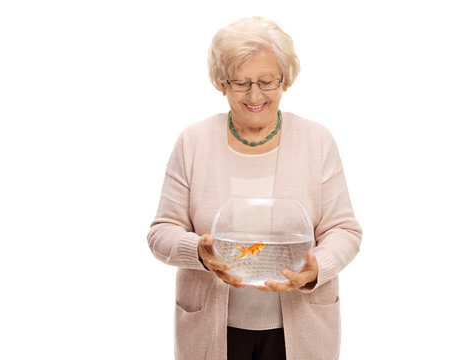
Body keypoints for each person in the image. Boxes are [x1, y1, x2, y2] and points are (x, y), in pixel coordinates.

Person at [147, 16, 362, 360]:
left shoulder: (316, 141)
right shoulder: (194, 142)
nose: (255, 95)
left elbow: (345, 230)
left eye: (267, 82)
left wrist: (318, 266)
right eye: (242, 83)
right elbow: (161, 232)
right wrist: (197, 250)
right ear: (222, 83)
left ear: (285, 80)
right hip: (212, 330)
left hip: (301, 327)